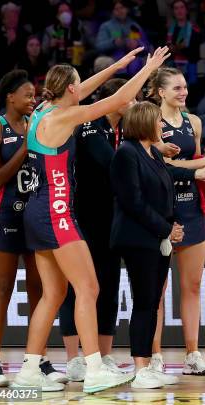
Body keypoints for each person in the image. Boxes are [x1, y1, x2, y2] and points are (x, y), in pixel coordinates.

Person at [11, 46, 170, 393]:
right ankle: (96, 368)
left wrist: (119, 64)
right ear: (70, 90)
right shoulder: (63, 118)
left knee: (53, 294)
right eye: (78, 85)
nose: (81, 89)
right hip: (56, 212)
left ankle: (28, 369)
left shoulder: (42, 110)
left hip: (36, 212)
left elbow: (83, 91)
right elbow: (115, 102)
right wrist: (148, 69)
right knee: (89, 287)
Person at [109, 101, 205, 389]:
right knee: (145, 302)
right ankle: (140, 367)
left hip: (155, 237)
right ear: (145, 123)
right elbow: (132, 202)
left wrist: (198, 173)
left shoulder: (151, 153)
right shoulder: (126, 154)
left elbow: (171, 173)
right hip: (137, 239)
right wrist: (167, 228)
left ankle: (146, 365)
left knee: (149, 302)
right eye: (158, 121)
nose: (162, 126)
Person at [0, 70, 65, 387]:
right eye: (28, 95)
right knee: (2, 288)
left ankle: (38, 359)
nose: (33, 100)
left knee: (38, 290)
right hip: (5, 214)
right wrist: (26, 144)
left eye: (35, 95)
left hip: (35, 214)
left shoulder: (40, 125)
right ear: (10, 97)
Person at [147, 67, 205, 377]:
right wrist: (202, 167)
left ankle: (192, 354)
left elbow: (190, 160)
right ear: (161, 92)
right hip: (161, 210)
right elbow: (161, 164)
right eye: (176, 88)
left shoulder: (194, 122)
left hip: (191, 207)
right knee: (157, 289)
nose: (183, 92)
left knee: (192, 286)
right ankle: (154, 355)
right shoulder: (151, 120)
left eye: (184, 87)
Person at [59, 78, 132, 382]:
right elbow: (114, 164)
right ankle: (74, 359)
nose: (135, 102)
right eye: (130, 97)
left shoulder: (122, 130)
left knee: (110, 285)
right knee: (78, 288)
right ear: (116, 99)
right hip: (82, 216)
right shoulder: (91, 127)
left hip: (110, 218)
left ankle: (105, 355)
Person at [96, 0, 149, 76]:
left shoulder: (134, 25)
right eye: (116, 9)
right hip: (113, 59)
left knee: (144, 61)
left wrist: (137, 44)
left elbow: (147, 45)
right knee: (104, 62)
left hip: (134, 60)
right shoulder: (106, 26)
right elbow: (99, 46)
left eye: (122, 8)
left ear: (127, 9)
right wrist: (113, 42)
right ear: (112, 11)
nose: (120, 11)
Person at [166, 0, 201, 84]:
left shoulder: (194, 29)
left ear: (186, 10)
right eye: (176, 8)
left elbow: (195, 51)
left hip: (190, 63)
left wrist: (177, 49)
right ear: (173, 12)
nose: (179, 11)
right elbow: (168, 49)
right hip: (173, 63)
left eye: (182, 7)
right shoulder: (170, 29)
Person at [41, 1, 86, 65]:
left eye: (67, 11)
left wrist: (77, 51)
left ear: (71, 13)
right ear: (57, 16)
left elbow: (87, 47)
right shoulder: (50, 30)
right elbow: (43, 52)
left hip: (76, 63)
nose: (65, 14)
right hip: (56, 64)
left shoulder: (79, 26)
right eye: (61, 12)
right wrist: (50, 45)